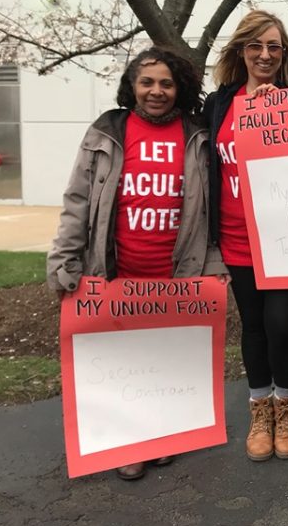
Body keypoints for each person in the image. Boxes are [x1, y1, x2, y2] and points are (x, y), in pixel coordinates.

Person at [47, 46, 227, 480]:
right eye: (147, 82)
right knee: (124, 361)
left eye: (166, 83)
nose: (156, 91)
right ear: (132, 86)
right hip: (116, 271)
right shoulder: (106, 131)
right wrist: (64, 258)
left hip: (177, 272)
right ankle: (129, 444)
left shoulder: (196, 134)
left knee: (165, 360)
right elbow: (78, 200)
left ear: (179, 88)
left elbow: (214, 206)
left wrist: (214, 264)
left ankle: (162, 437)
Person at [205, 10, 288, 462]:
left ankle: (286, 406)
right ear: (240, 51)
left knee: (282, 325)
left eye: (274, 47)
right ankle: (259, 409)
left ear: (284, 54)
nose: (265, 55)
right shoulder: (217, 105)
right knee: (252, 326)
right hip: (234, 237)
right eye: (256, 46)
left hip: (283, 239)